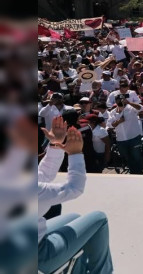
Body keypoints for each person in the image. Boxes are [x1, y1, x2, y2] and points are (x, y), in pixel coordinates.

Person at [38, 117, 113, 274]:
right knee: (99, 219)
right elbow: (74, 188)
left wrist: (55, 145)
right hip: (37, 258)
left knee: (74, 218)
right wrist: (76, 153)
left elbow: (42, 176)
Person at [108, 92, 143, 174]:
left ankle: (139, 172)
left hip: (133, 137)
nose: (120, 101)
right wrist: (119, 121)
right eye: (118, 99)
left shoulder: (131, 108)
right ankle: (133, 172)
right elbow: (110, 125)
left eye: (122, 99)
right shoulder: (113, 112)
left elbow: (141, 108)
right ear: (116, 101)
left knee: (136, 156)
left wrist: (129, 102)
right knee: (127, 157)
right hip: (121, 139)